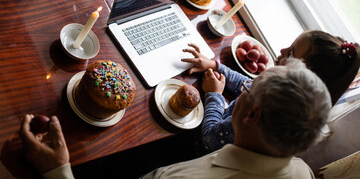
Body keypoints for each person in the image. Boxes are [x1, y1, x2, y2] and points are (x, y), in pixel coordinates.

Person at [20, 59, 331, 179]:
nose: (244, 88)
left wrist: (58, 171)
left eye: (249, 88)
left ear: (251, 114)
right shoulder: (300, 172)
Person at [181, 30, 360, 153]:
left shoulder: (260, 117)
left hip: (195, 148)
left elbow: (209, 139)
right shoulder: (275, 88)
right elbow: (247, 83)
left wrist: (215, 96)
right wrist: (216, 66)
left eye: (291, 53)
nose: (282, 50)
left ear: (304, 79)